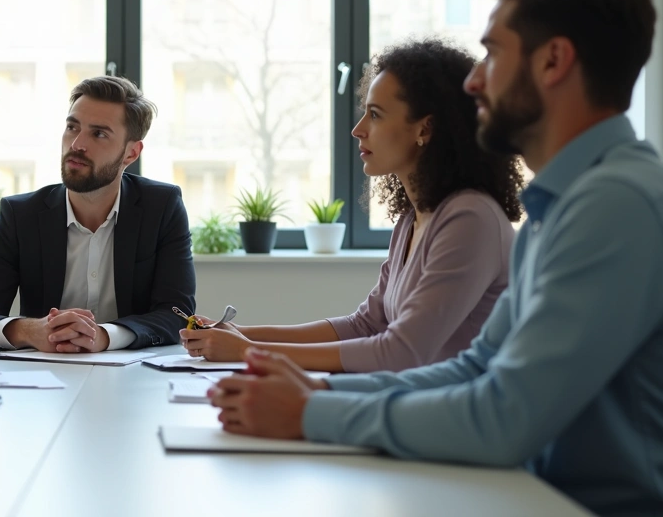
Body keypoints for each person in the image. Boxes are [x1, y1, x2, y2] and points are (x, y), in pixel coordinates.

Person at [208, 0, 663, 516]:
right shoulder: (559, 208)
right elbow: (474, 368)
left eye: (491, 54)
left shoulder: (618, 206)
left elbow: (504, 416)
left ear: (553, 61)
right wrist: (316, 391)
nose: (473, 83)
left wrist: (310, 411)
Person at [180, 38, 524, 372]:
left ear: (426, 128)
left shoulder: (470, 218)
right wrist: (237, 335)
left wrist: (249, 351)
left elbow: (401, 353)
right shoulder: (412, 219)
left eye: (375, 115)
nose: (358, 130)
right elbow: (365, 325)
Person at [0, 76, 196, 352]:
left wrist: (103, 335)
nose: (77, 143)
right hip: (44, 378)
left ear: (131, 153)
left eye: (99, 133)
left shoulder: (161, 207)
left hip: (134, 377)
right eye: (72, 127)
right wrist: (31, 330)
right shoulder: (21, 216)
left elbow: (177, 314)